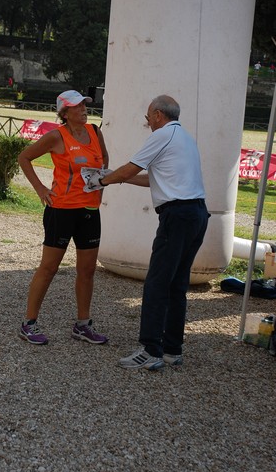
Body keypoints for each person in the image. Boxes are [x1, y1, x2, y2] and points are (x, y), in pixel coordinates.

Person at [87, 95, 209, 370]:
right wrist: (118, 178)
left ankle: (150, 349)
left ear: (157, 115)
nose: (148, 124)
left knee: (156, 283)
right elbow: (152, 179)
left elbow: (133, 166)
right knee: (177, 284)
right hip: (197, 214)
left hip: (176, 216)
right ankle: (172, 349)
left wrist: (101, 180)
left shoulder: (162, 136)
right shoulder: (185, 138)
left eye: (147, 119)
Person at [17, 89, 110, 346]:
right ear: (65, 113)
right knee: (49, 268)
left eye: (85, 105)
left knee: (87, 270)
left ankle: (82, 325)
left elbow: (104, 159)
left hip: (89, 211)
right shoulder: (56, 136)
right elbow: (24, 157)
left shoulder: (94, 132)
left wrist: (99, 184)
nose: (84, 109)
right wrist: (40, 188)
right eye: (78, 106)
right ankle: (29, 323)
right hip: (61, 210)